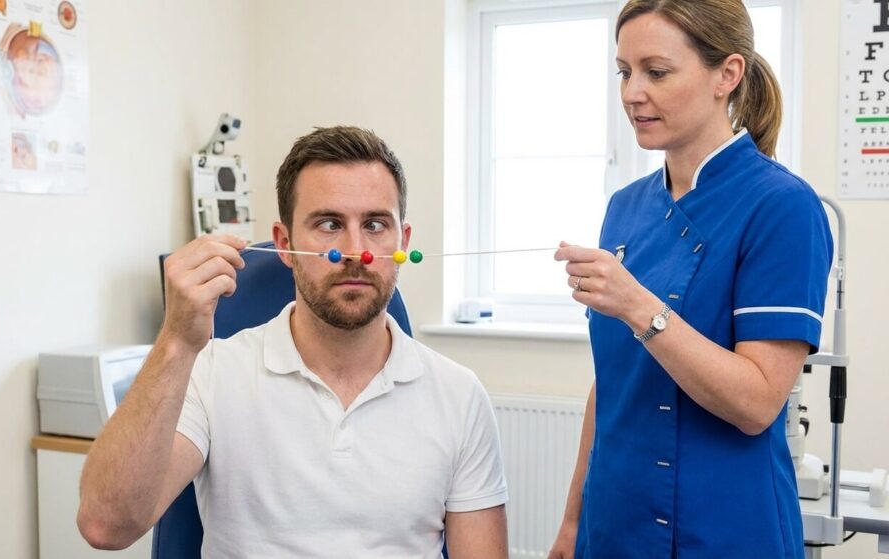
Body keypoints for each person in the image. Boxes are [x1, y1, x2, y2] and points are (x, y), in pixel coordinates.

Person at [78, 126, 509, 558]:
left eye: (375, 224)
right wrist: (176, 341)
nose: (356, 251)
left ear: (403, 241)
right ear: (285, 244)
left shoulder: (459, 395)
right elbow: (106, 526)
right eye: (328, 224)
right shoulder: (212, 372)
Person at [548, 1, 832, 558]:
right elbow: (611, 383)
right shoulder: (625, 208)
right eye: (624, 72)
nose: (632, 92)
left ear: (727, 75)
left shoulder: (782, 207)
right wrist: (572, 521)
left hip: (725, 528)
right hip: (614, 523)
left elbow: (757, 404)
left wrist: (639, 308)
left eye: (656, 71)